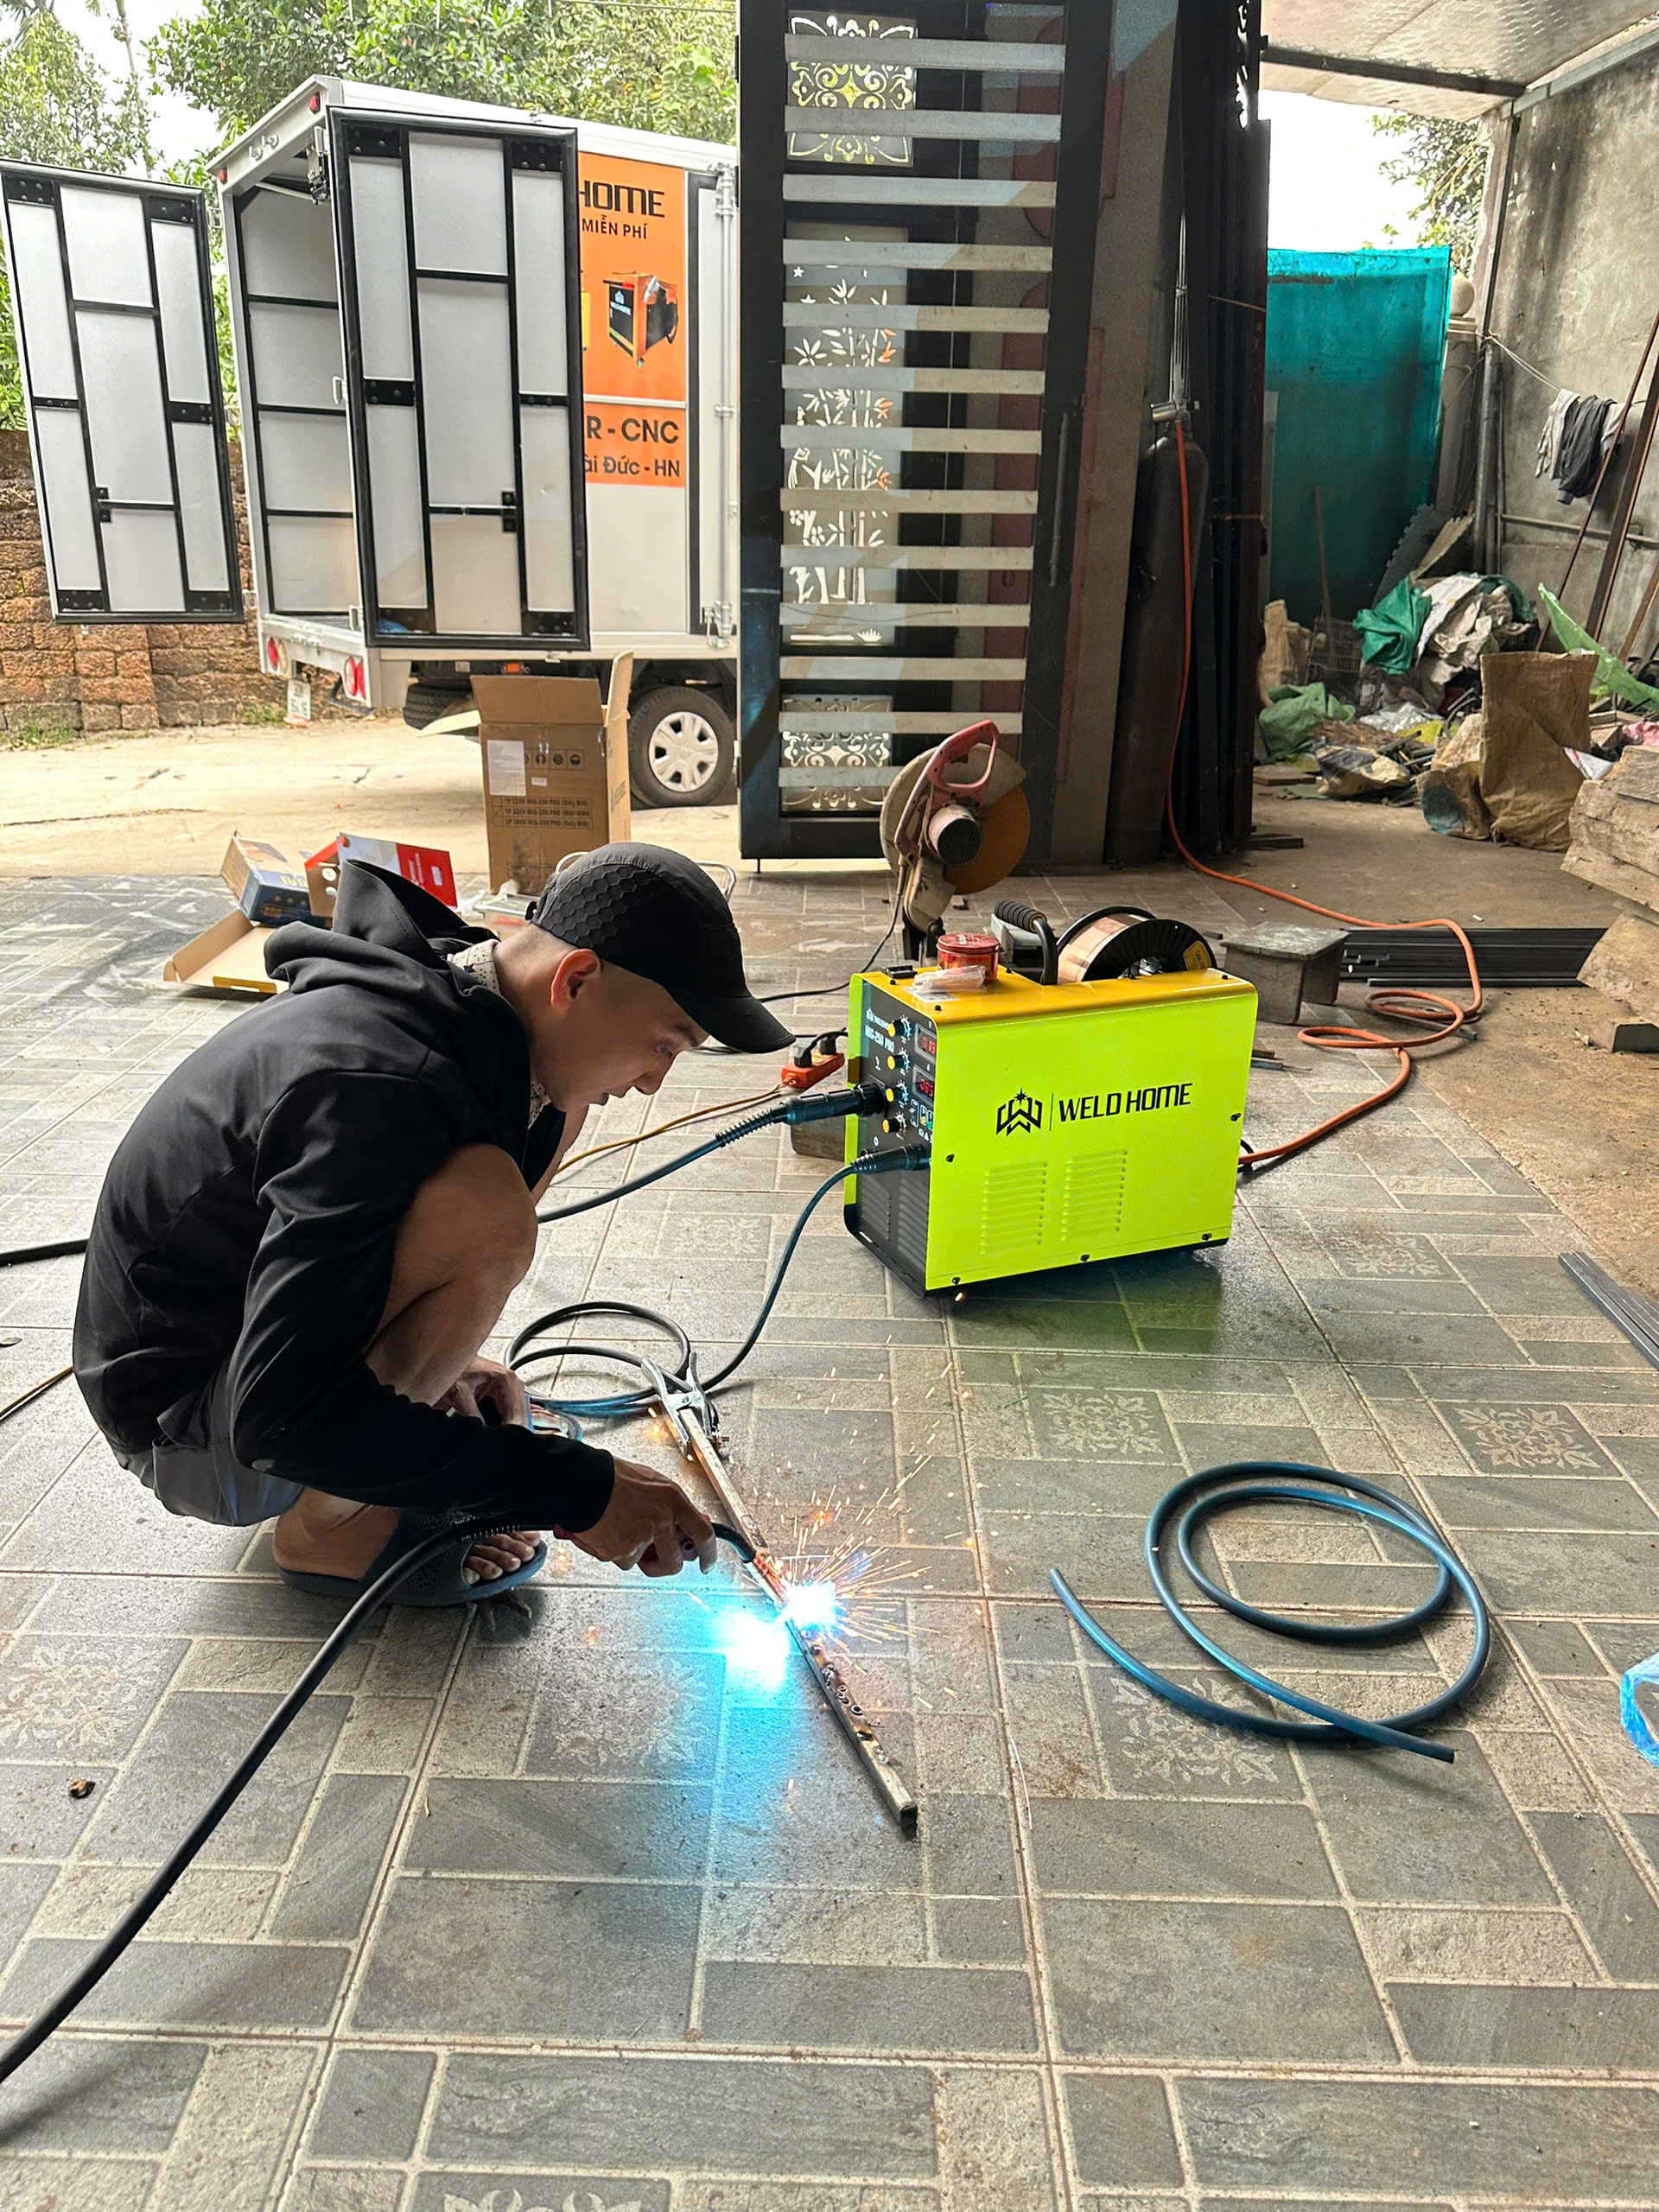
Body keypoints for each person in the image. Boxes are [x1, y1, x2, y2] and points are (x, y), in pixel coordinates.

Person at [72, 842, 792, 1604]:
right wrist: (576, 1489)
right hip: (185, 1429)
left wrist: (436, 1368)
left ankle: (376, 1438)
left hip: (248, 1357)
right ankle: (329, 1533)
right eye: (663, 1044)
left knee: (553, 1117)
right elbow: (278, 1420)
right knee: (487, 1211)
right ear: (575, 980)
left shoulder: (476, 1015)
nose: (653, 1081)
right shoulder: (374, 1084)